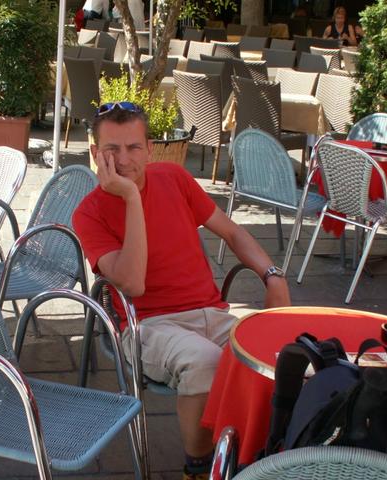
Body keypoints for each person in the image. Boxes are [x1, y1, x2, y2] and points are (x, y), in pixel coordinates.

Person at [73, 102, 291, 480]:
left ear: (150, 149)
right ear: (95, 153)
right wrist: (130, 197)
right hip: (148, 326)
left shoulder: (174, 177)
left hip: (212, 313)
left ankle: (261, 454)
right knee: (205, 362)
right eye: (111, 149)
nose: (123, 159)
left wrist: (273, 276)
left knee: (281, 354)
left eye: (133, 147)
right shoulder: (88, 212)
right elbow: (133, 283)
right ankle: (198, 468)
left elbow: (232, 232)